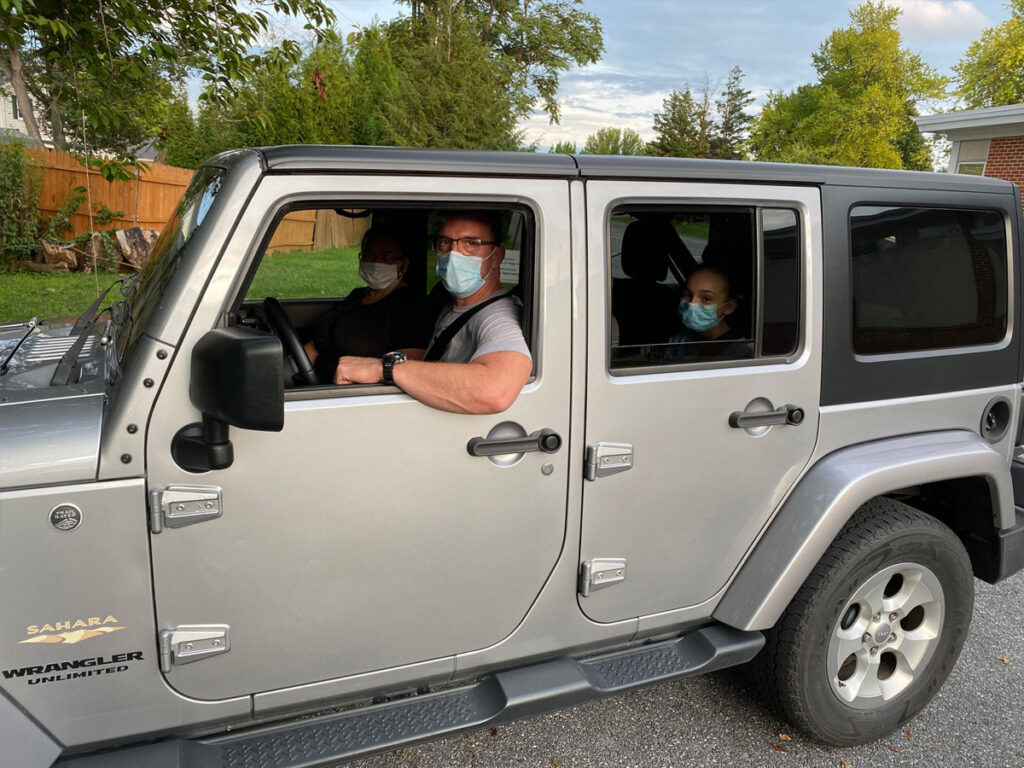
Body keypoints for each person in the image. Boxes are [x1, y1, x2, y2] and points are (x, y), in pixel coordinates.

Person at [334, 212, 532, 414]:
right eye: (445, 242)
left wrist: (383, 369)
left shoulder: (498, 316)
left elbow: (495, 391)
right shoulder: (450, 302)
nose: (454, 254)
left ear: (497, 257)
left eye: (471, 243)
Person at [304, 226, 429, 383]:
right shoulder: (356, 296)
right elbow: (318, 344)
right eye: (369, 254)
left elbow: (409, 365)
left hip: (353, 395)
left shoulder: (411, 307)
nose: (376, 261)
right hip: (314, 381)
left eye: (387, 256)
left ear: (403, 265)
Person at [666, 266, 751, 361]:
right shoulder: (678, 340)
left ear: (729, 306)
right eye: (687, 295)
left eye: (706, 298)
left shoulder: (741, 353)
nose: (692, 304)